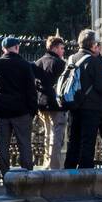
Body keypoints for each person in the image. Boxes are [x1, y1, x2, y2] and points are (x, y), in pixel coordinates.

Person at [0, 36, 37, 182]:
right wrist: (32, 110)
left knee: (3, 144)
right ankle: (27, 174)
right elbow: (31, 90)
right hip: (21, 111)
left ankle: (5, 174)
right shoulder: (25, 65)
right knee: (24, 143)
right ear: (17, 47)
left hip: (2, 111)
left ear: (3, 49)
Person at [68, 29, 102, 169]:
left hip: (75, 105)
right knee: (88, 142)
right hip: (92, 108)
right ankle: (86, 173)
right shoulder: (93, 61)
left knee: (74, 140)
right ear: (93, 45)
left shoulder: (72, 58)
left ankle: (69, 171)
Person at [32, 35, 69, 169]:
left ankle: (46, 163)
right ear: (54, 48)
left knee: (47, 135)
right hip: (56, 104)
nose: (63, 50)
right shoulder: (59, 63)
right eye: (61, 48)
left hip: (42, 103)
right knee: (56, 136)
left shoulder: (38, 62)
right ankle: (54, 166)